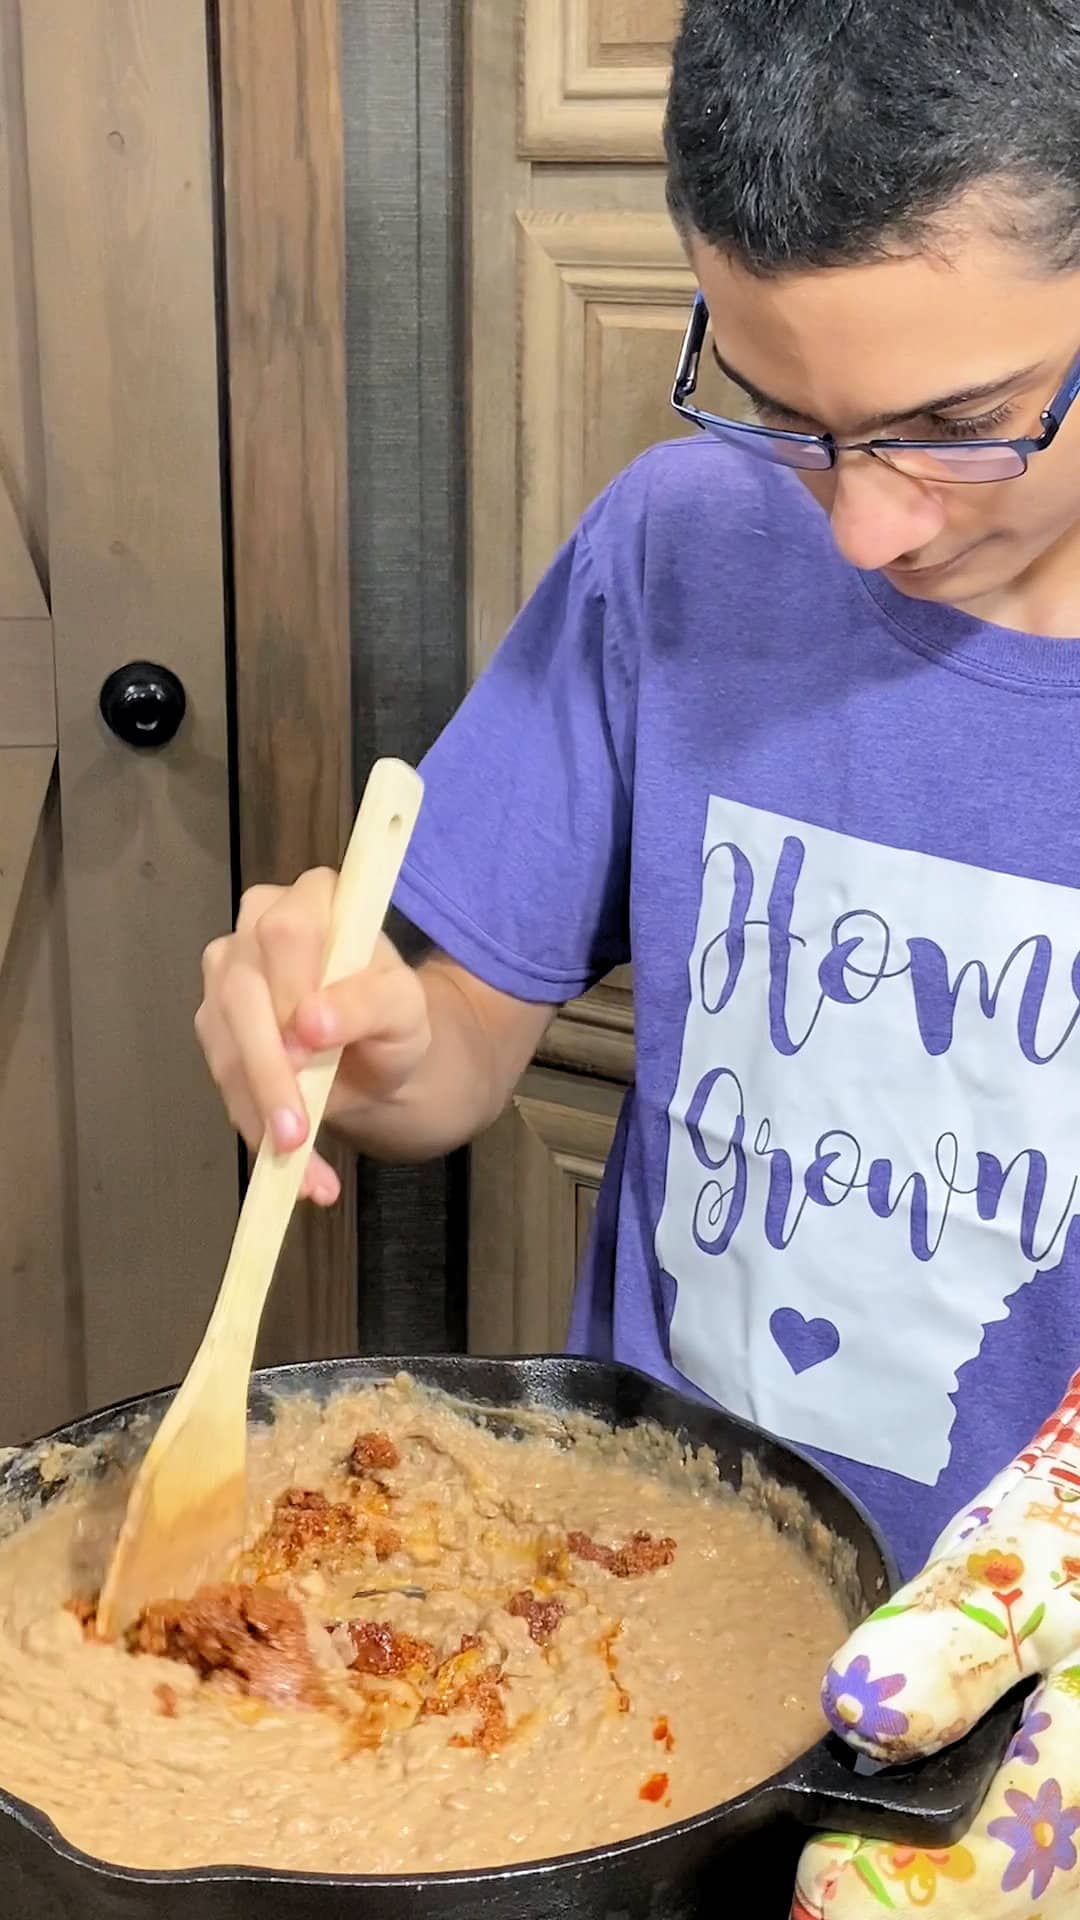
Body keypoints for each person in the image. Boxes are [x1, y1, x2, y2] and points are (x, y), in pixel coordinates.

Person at [195, 3, 1080, 1911]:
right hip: (637, 1635)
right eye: (785, 412)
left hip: (1036, 1741)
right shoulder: (679, 547)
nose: (860, 528)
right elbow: (453, 1055)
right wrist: (351, 1032)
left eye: (953, 428)